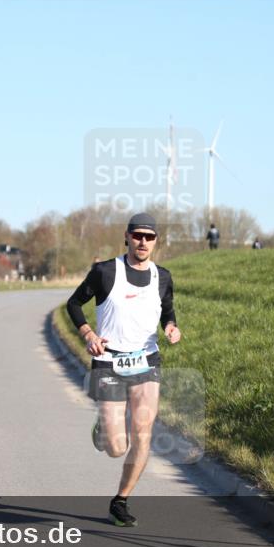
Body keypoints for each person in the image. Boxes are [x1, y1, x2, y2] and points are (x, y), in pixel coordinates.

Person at [66, 212, 181, 527]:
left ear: (156, 241)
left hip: (146, 359)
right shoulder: (105, 272)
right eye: (137, 235)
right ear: (127, 237)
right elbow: (74, 304)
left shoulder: (163, 277)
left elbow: (167, 310)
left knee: (143, 433)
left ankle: (120, 501)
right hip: (109, 360)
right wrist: (89, 335)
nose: (143, 242)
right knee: (118, 447)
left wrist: (171, 327)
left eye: (149, 237)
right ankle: (103, 428)